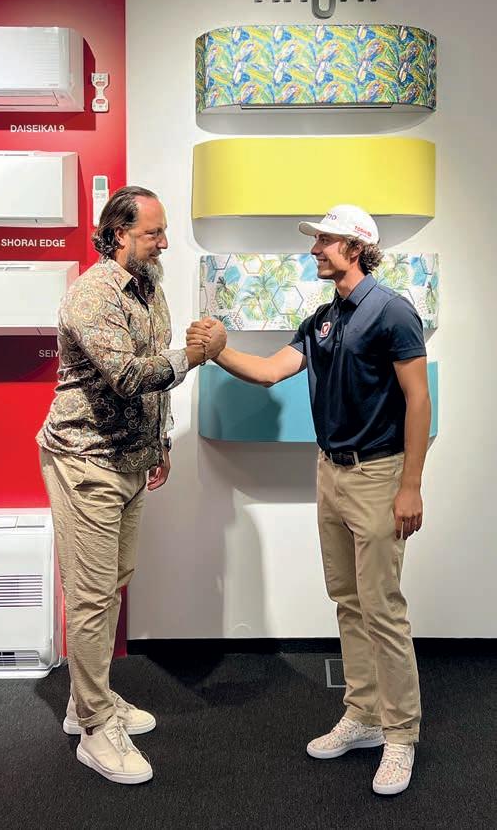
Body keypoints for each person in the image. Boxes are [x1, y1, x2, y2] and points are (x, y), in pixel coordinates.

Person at [188, 204, 430, 796]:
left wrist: (411, 484)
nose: (315, 249)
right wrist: (218, 349)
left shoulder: (393, 311)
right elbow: (271, 371)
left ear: (356, 247)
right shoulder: (323, 319)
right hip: (330, 472)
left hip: (379, 475)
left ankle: (401, 734)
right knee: (348, 601)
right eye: (317, 240)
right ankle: (363, 715)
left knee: (383, 609)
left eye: (325, 240)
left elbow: (418, 400)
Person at [38, 185, 225, 785]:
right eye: (153, 233)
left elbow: (153, 375)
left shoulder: (150, 289)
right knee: (91, 596)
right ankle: (95, 729)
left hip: (129, 459)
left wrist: (159, 443)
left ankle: (84, 701)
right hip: (85, 460)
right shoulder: (93, 294)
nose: (164, 242)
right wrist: (194, 356)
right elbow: (126, 375)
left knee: (113, 582)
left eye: (163, 231)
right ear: (118, 234)